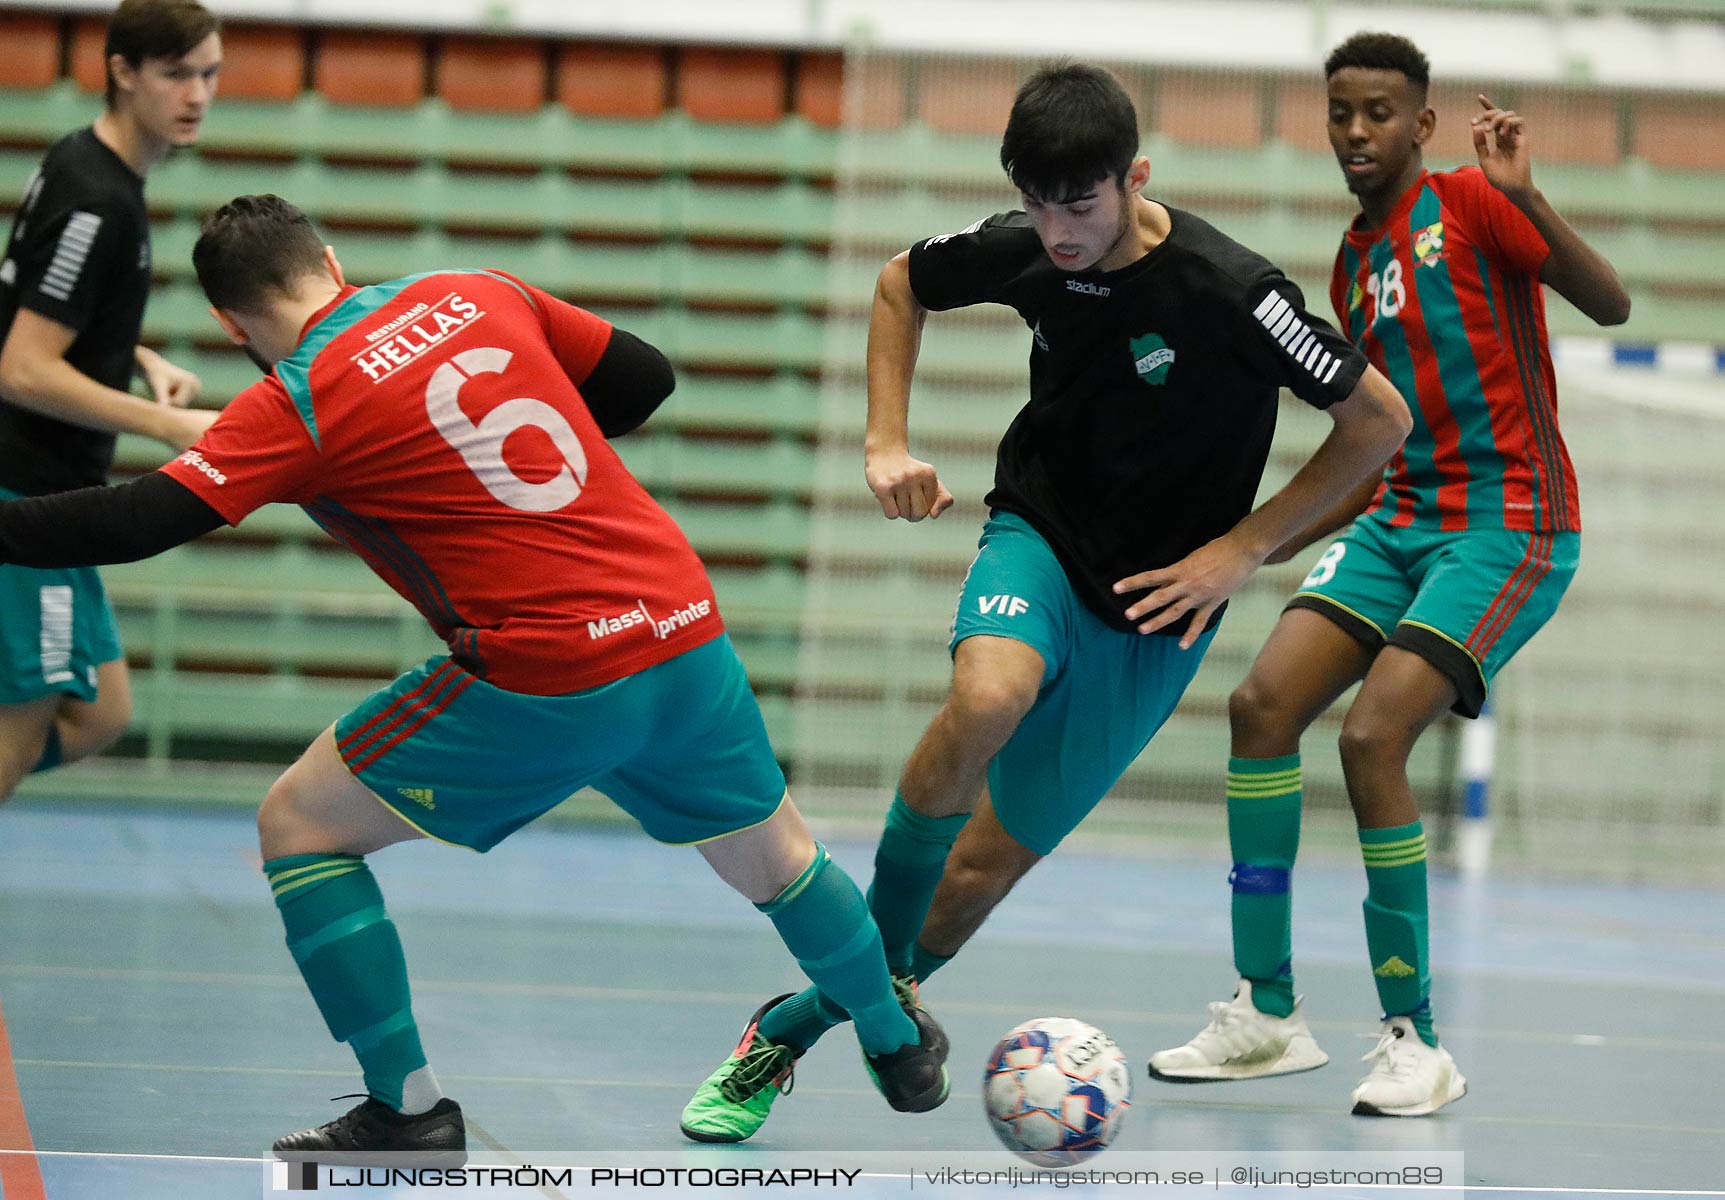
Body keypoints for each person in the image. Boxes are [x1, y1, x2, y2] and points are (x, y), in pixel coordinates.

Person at [0, 194, 950, 1163]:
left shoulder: (296, 400)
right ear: (330, 259)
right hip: (678, 621)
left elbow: (132, 524)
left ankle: (408, 1111)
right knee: (778, 858)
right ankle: (894, 1038)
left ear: (228, 324)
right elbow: (643, 378)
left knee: (299, 827)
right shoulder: (473, 289)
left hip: (550, 666)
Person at [676, 61, 1412, 1143]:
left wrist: (1242, 552)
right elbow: (900, 283)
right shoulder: (1024, 249)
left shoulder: (1232, 291)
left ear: (1134, 177)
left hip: (1160, 612)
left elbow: (1377, 424)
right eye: (1037, 201)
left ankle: (797, 1021)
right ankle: (846, 1029)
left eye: (1081, 204)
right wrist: (885, 440)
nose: (1057, 230)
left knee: (971, 879)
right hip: (1040, 537)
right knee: (988, 697)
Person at [1149, 32, 1630, 1117]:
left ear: (1420, 124)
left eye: (1378, 114)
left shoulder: (1472, 203)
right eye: (1340, 114)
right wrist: (1248, 549)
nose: (1355, 134)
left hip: (1510, 525)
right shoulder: (1350, 260)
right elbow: (1372, 449)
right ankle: (1266, 1013)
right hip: (1404, 518)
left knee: (1373, 737)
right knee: (1263, 704)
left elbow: (1611, 305)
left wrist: (1533, 197)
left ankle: (1418, 1042)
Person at [0, 0, 221, 805]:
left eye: (209, 73)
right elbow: (22, 368)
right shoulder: (100, 202)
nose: (197, 94)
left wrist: (134, 356)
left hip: (61, 497)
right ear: (123, 72)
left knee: (99, 716)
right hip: (28, 493)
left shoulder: (82, 164)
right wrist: (165, 422)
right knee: (16, 735)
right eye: (176, 75)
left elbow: (33, 305)